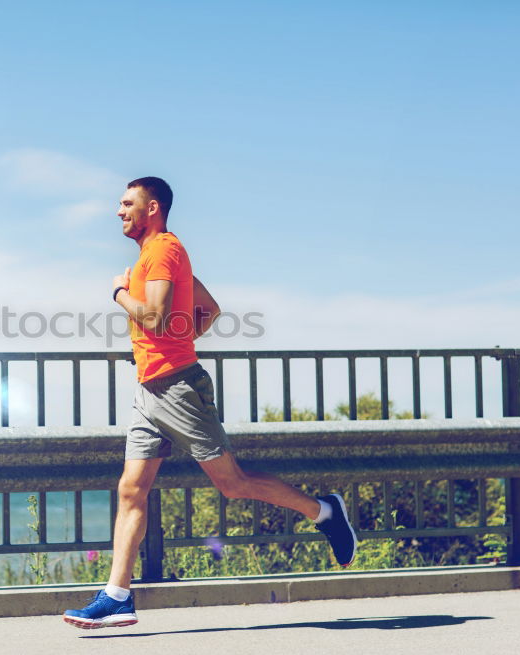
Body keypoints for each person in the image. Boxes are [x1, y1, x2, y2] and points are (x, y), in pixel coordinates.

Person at [63, 177, 357, 630]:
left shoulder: (163, 249)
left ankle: (324, 512)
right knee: (130, 489)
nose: (118, 211)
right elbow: (210, 308)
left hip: (178, 389)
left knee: (232, 484)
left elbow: (157, 318)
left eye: (126, 203)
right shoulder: (152, 255)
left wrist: (119, 293)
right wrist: (179, 340)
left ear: (152, 206)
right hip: (150, 389)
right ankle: (117, 596)